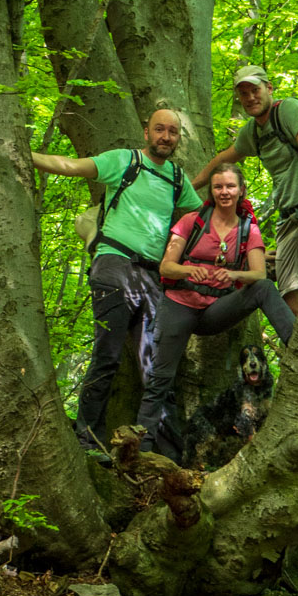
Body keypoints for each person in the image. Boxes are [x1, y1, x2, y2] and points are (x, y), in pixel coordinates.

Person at [32, 109, 202, 460]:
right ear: (146, 133)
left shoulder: (177, 179)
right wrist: (24, 155)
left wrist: (253, 247)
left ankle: (163, 453)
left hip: (152, 277)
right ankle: (87, 440)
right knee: (107, 355)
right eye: (159, 130)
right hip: (113, 264)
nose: (165, 137)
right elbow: (71, 165)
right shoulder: (125, 161)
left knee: (156, 365)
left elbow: (207, 222)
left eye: (172, 132)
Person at [136, 163, 295, 454]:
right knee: (161, 377)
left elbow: (259, 274)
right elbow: (166, 265)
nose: (224, 192)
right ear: (211, 191)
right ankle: (143, 446)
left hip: (215, 310)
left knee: (264, 288)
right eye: (218, 186)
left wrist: (235, 275)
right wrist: (186, 271)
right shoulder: (192, 221)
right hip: (179, 305)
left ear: (240, 190)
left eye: (230, 186)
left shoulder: (248, 229)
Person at [193, 66, 298, 315]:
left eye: (255, 90)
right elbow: (224, 159)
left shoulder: (288, 109)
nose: (250, 97)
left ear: (269, 88)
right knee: (290, 292)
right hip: (288, 216)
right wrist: (191, 186)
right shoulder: (252, 132)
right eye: (244, 94)